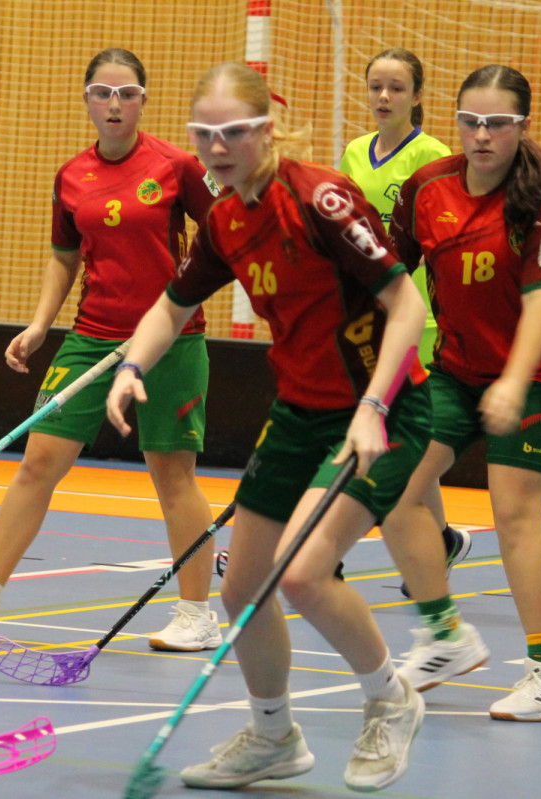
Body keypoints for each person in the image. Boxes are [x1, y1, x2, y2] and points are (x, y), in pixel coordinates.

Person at [108, 62, 431, 793]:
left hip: (380, 410)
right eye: (204, 134)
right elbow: (171, 306)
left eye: (234, 131)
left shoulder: (319, 198)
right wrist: (131, 366)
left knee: (306, 573)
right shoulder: (224, 220)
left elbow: (406, 305)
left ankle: (391, 698)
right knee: (242, 589)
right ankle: (273, 735)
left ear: (267, 129)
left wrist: (374, 407)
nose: (217, 147)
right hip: (299, 412)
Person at [0, 48, 223, 652]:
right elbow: (64, 258)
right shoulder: (71, 175)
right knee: (39, 460)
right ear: (86, 99)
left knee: (172, 473)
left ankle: (196, 614)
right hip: (91, 337)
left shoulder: (177, 166)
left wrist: (183, 296)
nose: (115, 104)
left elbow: (224, 236)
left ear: (143, 100)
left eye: (127, 94)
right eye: (102, 93)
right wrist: (40, 325)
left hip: (171, 339)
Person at [382, 65, 541, 722]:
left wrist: (513, 383)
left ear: (522, 125)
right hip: (455, 371)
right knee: (390, 485)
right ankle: (445, 634)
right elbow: (387, 275)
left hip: (537, 375)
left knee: (514, 515)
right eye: (470, 121)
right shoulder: (427, 187)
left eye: (497, 123)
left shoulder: (540, 197)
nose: (481, 135)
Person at [339, 48, 471, 596]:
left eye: (396, 87)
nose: (384, 97)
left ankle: (326, 553)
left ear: (417, 96)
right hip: (367, 316)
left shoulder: (434, 156)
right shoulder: (354, 152)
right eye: (376, 86)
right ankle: (439, 541)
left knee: (391, 438)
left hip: (420, 319)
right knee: (399, 439)